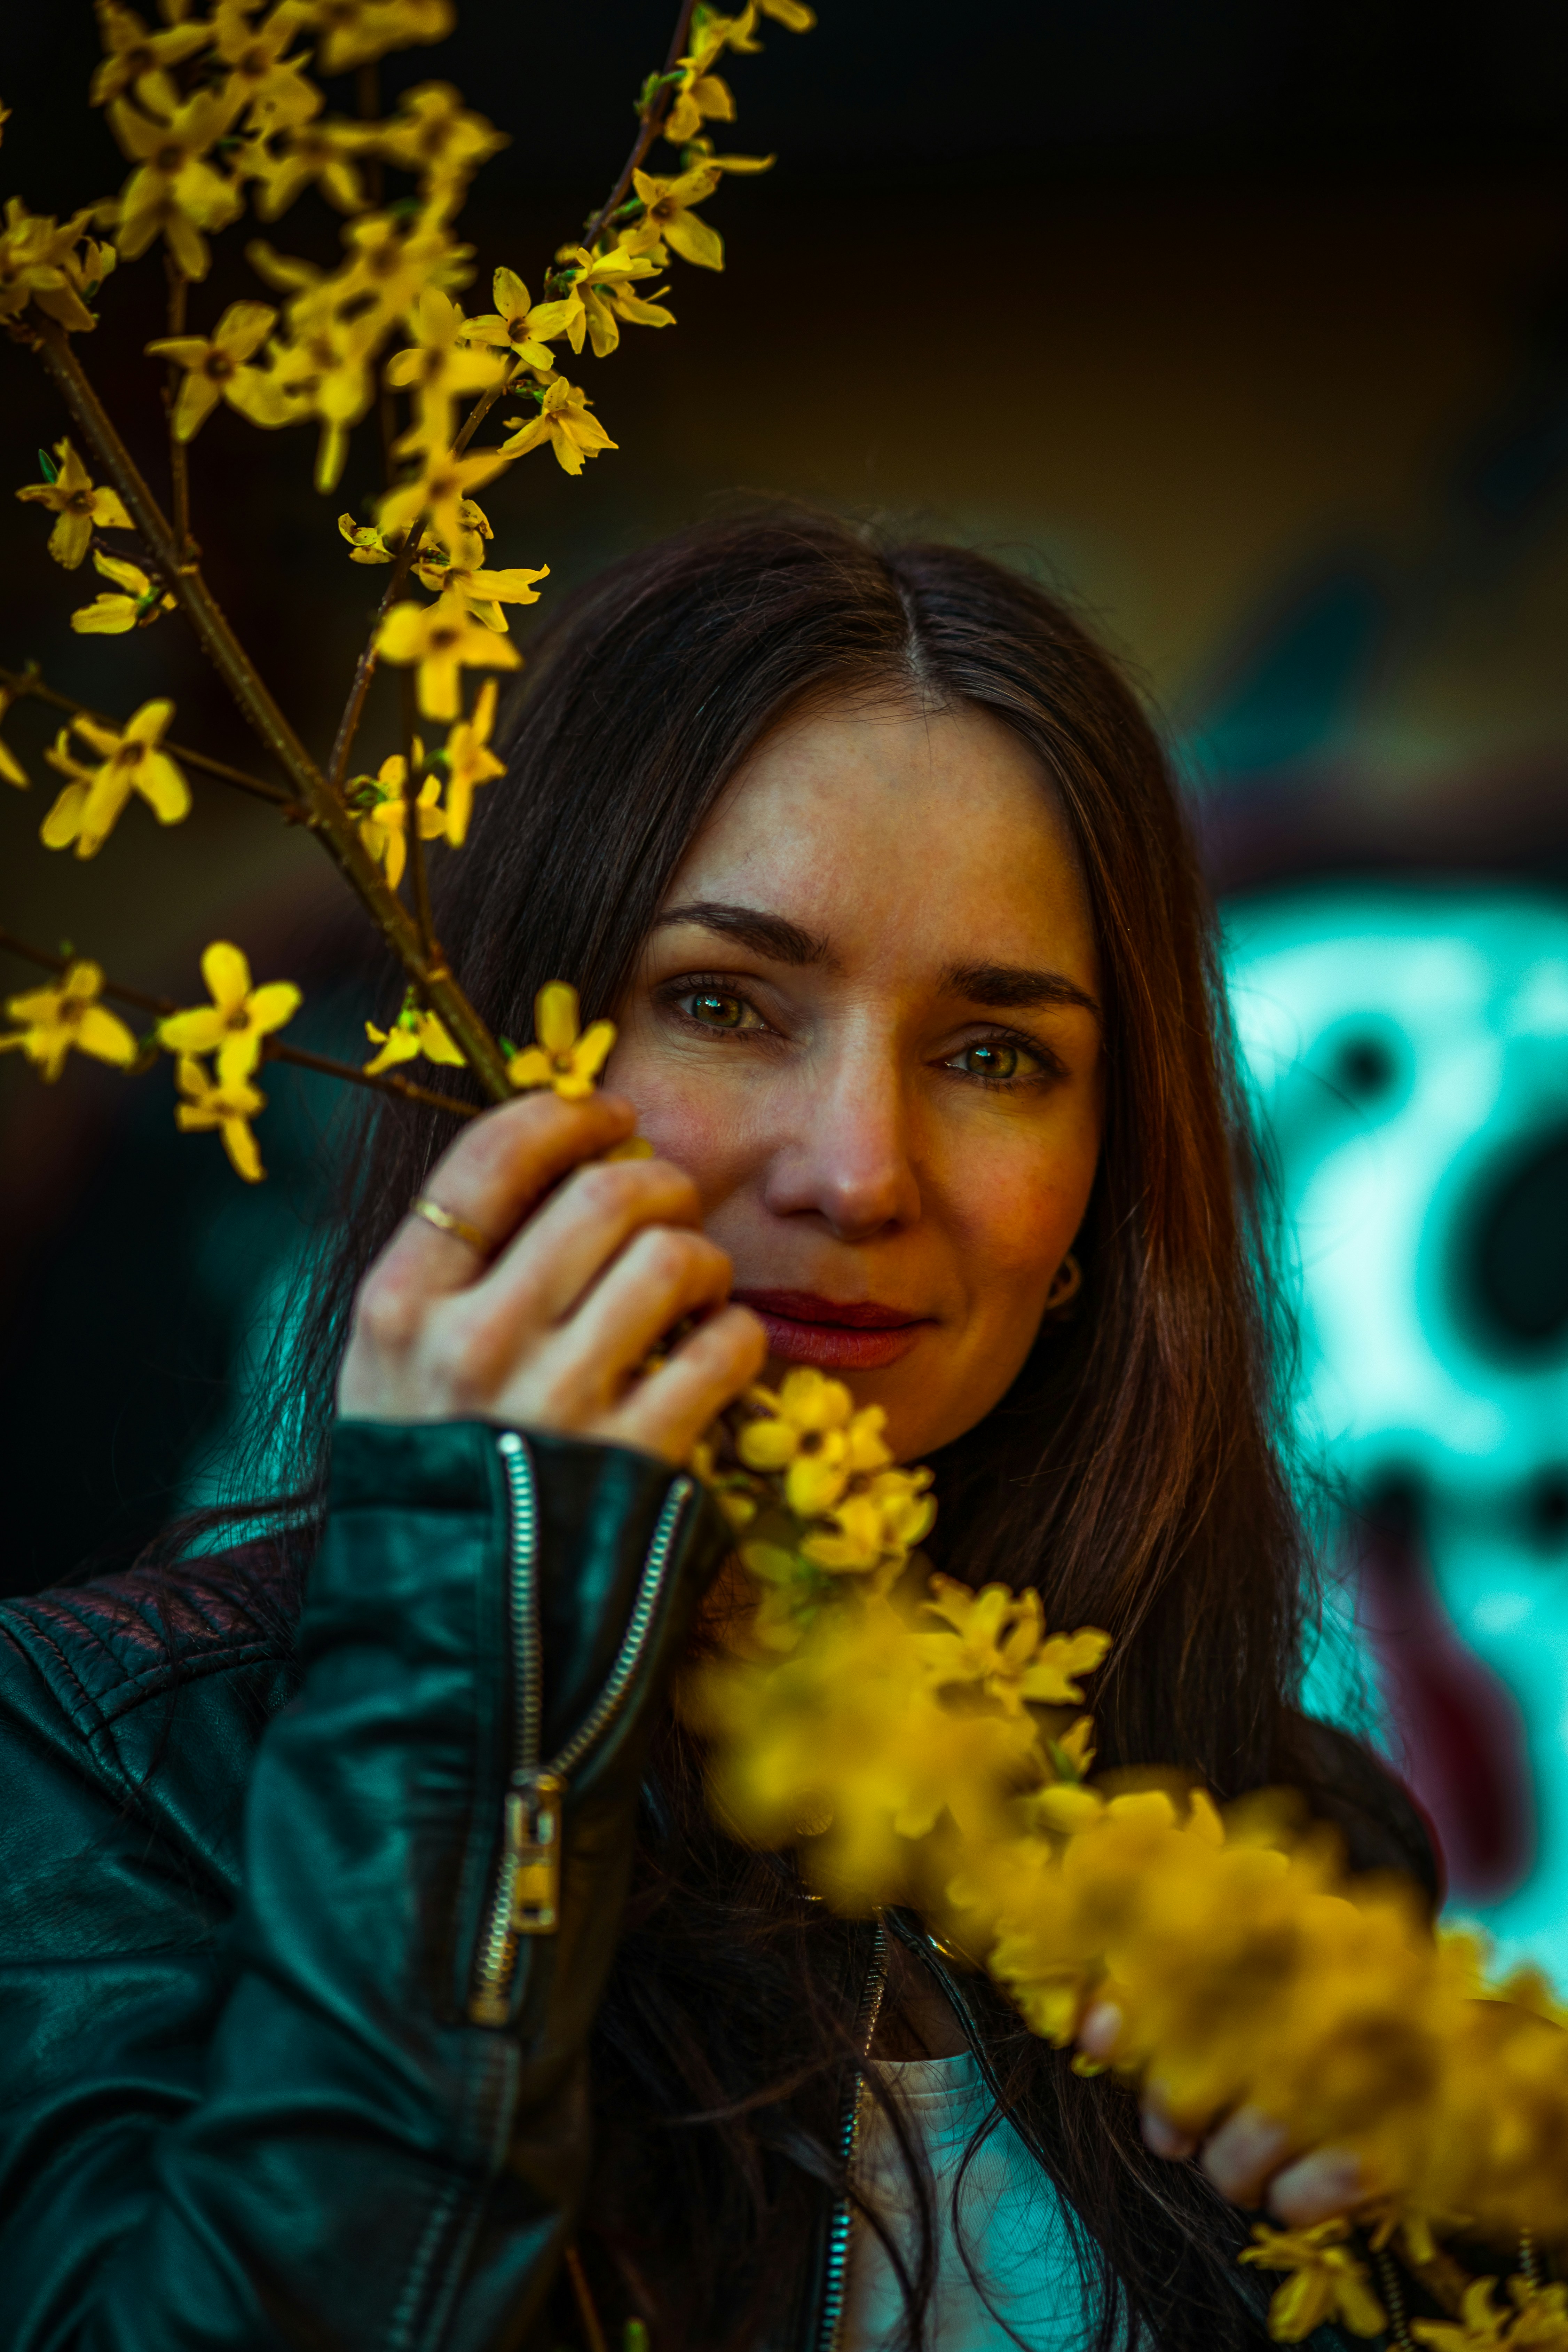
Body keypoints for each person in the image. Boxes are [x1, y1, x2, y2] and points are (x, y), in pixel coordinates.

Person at [0, 512, 1435, 2352]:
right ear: (507, 1075)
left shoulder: (1275, 1835)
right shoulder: (110, 1775)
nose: (856, 1168)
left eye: (996, 1052)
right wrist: (460, 1692)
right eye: (722, 1003)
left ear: (1104, 1185)